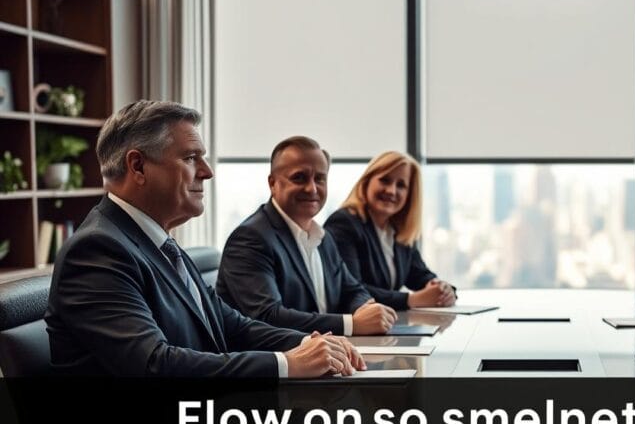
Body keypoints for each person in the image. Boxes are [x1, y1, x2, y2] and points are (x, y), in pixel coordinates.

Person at [46, 100, 364, 377]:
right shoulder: (97, 250)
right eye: (190, 158)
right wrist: (286, 364)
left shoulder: (158, 243)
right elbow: (152, 364)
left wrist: (308, 343)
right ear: (138, 166)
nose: (207, 171)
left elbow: (231, 325)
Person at [217, 136, 397, 336]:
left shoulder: (322, 237)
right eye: (299, 178)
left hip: (329, 354)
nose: (312, 188)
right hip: (278, 361)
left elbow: (352, 289)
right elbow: (268, 316)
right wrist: (351, 324)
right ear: (273, 183)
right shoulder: (250, 238)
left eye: (320, 179)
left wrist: (366, 308)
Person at [324, 151, 455, 310]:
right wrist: (411, 300)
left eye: (401, 185)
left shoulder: (398, 229)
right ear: (366, 182)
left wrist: (441, 288)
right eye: (385, 180)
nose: (391, 191)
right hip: (352, 329)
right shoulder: (345, 223)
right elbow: (351, 290)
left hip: (385, 324)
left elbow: (419, 275)